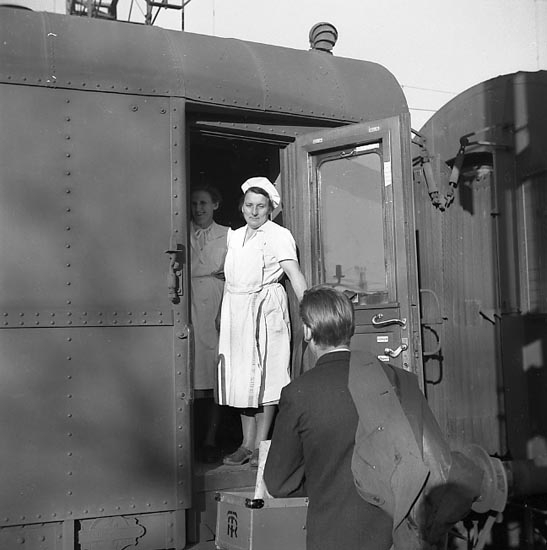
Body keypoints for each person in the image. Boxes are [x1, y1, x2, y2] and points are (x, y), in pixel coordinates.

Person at [264, 285, 484, 550]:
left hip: (333, 536)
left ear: (308, 331)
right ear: (350, 329)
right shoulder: (398, 379)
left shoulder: (298, 393)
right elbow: (431, 456)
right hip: (397, 535)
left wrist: (323, 482)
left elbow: (278, 483)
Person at [217, 176, 307, 467]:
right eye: (249, 205)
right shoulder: (234, 236)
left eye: (260, 206)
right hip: (236, 310)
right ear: (241, 207)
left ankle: (261, 445)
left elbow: (294, 274)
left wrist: (309, 312)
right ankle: (245, 445)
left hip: (266, 310)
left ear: (270, 209)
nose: (254, 212)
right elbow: (230, 279)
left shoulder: (278, 235)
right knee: (241, 378)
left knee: (267, 376)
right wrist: (221, 311)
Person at [190, 183, 228, 463]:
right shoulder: (182, 232)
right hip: (190, 299)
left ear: (215, 205)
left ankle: (211, 438)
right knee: (191, 370)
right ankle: (190, 438)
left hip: (216, 298)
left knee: (215, 371)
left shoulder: (228, 234)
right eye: (194, 204)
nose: (198, 208)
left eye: (203, 203)